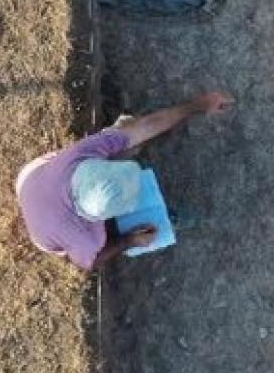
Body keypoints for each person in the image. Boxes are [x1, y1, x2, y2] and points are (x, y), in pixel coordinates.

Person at [14, 91, 232, 270]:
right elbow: (89, 263)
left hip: (30, 178)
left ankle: (120, 140)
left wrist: (200, 104)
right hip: (45, 229)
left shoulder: (82, 153)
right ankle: (165, 217)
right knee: (125, 142)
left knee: (129, 135)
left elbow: (148, 125)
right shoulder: (85, 240)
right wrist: (129, 241)